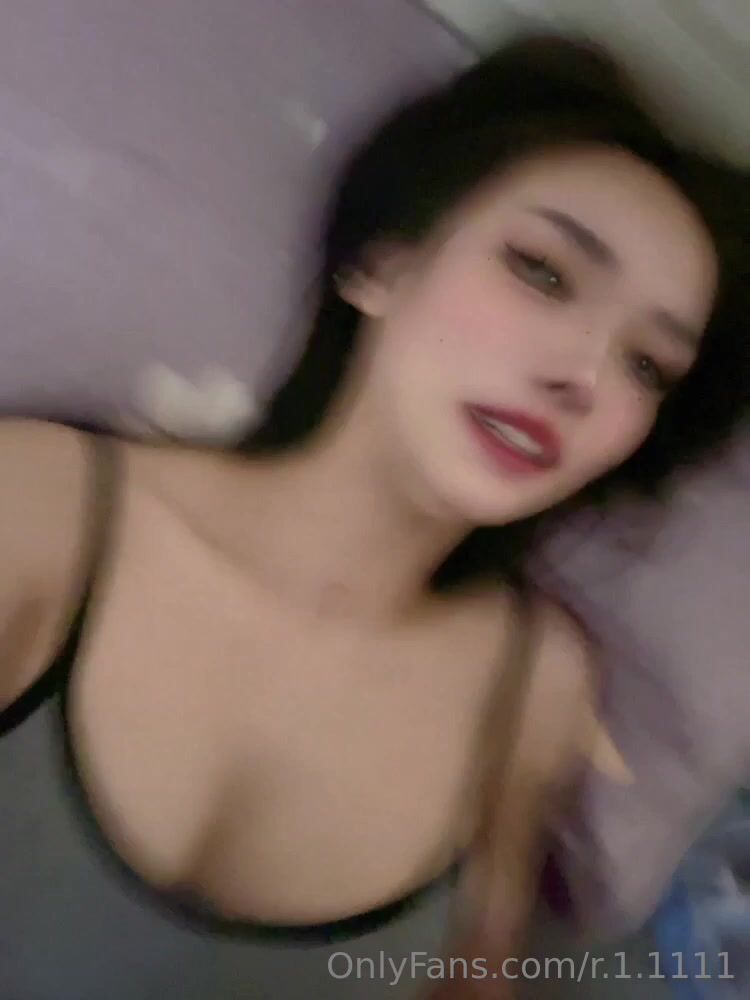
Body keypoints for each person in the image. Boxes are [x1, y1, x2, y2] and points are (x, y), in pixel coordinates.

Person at [0, 32, 747, 999]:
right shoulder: (40, 506)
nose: (587, 376)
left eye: (648, 365)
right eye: (543, 272)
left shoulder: (536, 683)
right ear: (383, 263)